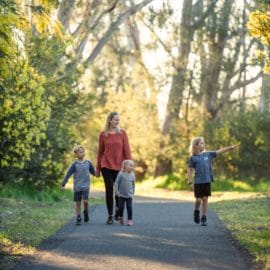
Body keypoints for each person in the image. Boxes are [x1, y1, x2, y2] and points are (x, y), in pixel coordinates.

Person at [187, 137, 238, 226]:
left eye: (203, 143)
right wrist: (190, 182)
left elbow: (219, 151)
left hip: (207, 181)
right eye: (201, 143)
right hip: (198, 182)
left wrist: (230, 148)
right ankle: (196, 211)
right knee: (198, 200)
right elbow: (189, 170)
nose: (203, 144)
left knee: (205, 199)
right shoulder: (193, 158)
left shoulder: (208, 154)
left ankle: (204, 217)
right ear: (196, 145)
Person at [96, 112, 131, 225]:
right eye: (115, 120)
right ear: (110, 120)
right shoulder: (103, 135)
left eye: (118, 120)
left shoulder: (122, 133)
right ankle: (110, 215)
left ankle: (117, 210)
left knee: (118, 191)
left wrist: (128, 166)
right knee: (109, 189)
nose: (117, 122)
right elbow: (100, 153)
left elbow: (127, 151)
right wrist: (98, 169)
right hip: (106, 165)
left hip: (119, 166)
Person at [61, 145, 95, 225]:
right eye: (80, 152)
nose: (82, 153)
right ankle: (78, 217)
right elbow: (68, 174)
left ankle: (86, 211)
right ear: (76, 154)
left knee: (85, 201)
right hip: (77, 187)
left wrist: (99, 173)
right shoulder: (74, 164)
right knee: (78, 203)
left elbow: (93, 172)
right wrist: (63, 184)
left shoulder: (88, 163)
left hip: (86, 186)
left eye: (83, 152)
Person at [115, 160, 135, 226]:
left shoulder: (132, 175)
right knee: (121, 207)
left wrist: (133, 192)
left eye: (133, 166)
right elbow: (116, 183)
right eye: (130, 165)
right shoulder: (121, 174)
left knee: (129, 207)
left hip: (129, 195)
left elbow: (133, 184)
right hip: (121, 195)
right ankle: (121, 217)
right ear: (125, 166)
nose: (132, 167)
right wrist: (116, 191)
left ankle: (130, 220)